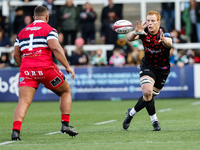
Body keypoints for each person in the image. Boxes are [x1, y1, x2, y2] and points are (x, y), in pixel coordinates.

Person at [11, 6, 78, 140]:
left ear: (34, 17)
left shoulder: (22, 32)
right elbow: (56, 48)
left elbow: (16, 55)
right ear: (47, 17)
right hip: (46, 69)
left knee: (23, 101)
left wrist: (23, 68)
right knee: (65, 92)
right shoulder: (49, 29)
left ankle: (15, 131)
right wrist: (67, 66)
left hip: (27, 70)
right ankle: (65, 124)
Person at [123, 10, 172, 131]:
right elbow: (128, 38)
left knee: (148, 97)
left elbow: (169, 43)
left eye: (153, 21)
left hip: (162, 70)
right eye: (148, 20)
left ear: (158, 22)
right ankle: (155, 121)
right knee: (147, 92)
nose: (150, 23)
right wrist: (135, 32)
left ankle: (131, 114)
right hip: (148, 66)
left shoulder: (163, 32)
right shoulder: (144, 31)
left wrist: (164, 40)